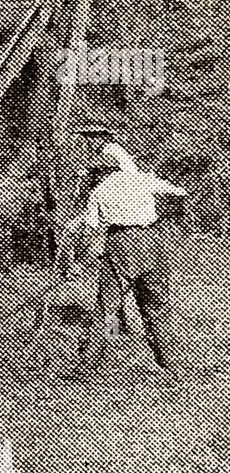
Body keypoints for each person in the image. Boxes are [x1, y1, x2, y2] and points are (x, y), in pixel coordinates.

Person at [65, 141, 188, 374]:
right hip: (154, 242)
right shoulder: (143, 179)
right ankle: (172, 367)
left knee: (106, 308)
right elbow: (179, 192)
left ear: (103, 170)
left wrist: (80, 262)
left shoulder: (100, 190)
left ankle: (88, 365)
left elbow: (91, 230)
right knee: (157, 306)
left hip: (122, 244)